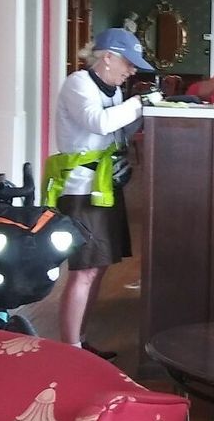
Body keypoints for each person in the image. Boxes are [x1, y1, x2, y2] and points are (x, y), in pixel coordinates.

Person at [44, 27, 152, 356]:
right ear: (107, 58)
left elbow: (117, 132)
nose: (131, 71)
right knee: (84, 270)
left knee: (99, 267)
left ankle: (81, 339)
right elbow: (99, 123)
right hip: (80, 189)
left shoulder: (114, 91)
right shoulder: (77, 83)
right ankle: (71, 350)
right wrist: (139, 103)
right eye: (127, 63)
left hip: (104, 186)